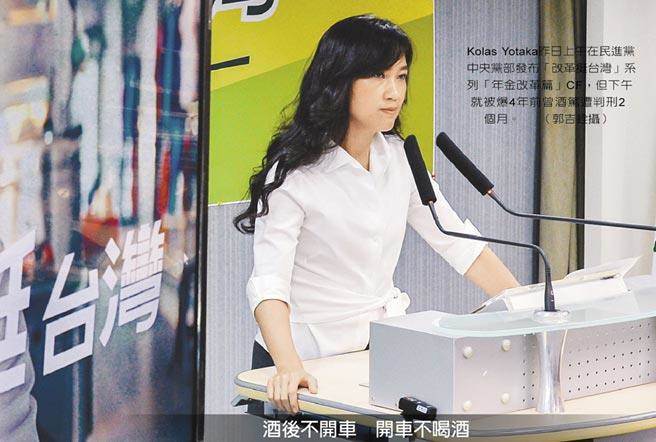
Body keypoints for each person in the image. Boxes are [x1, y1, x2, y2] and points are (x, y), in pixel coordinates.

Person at [234, 15, 520, 417]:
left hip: (376, 353)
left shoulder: (400, 158)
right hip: (304, 360)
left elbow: (458, 243)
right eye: (377, 76)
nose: (394, 92)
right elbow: (269, 283)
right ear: (339, 82)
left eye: (400, 76)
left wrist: (526, 307)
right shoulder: (293, 175)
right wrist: (288, 366)